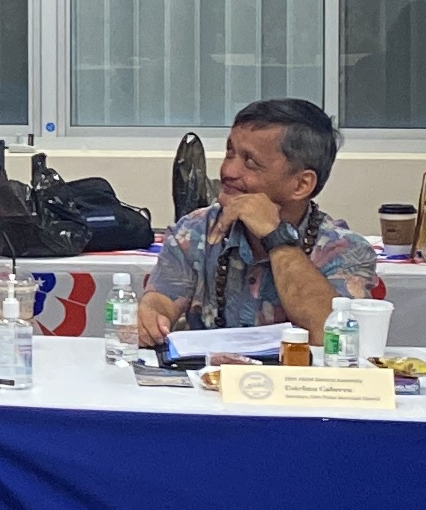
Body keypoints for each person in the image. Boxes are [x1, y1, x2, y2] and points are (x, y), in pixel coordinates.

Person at [135, 98, 377, 347]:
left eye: (250, 162)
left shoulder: (346, 251)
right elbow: (163, 298)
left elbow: (331, 337)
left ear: (301, 184)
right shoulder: (193, 231)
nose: (228, 171)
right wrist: (151, 314)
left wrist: (276, 237)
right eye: (230, 153)